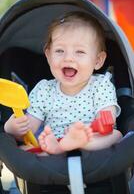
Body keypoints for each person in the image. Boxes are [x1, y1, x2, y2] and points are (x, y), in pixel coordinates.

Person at [4, 11, 122, 155]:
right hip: (53, 143)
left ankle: (77, 143)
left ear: (97, 61)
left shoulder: (101, 85)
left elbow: (107, 120)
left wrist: (87, 134)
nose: (68, 58)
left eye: (79, 52)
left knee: (116, 136)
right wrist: (13, 128)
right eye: (60, 51)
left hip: (92, 141)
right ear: (48, 56)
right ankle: (61, 147)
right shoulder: (44, 90)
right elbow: (28, 131)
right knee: (24, 149)